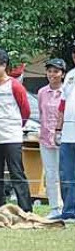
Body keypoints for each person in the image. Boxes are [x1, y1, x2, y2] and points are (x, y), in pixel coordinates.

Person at [0, 49, 32, 213]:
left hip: (12, 136)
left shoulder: (15, 85)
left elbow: (25, 110)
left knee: (16, 173)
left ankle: (26, 209)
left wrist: (16, 126)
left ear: (4, 65)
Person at [38, 58, 65, 219]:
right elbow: (41, 115)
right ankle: (55, 207)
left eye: (56, 71)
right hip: (46, 138)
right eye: (49, 71)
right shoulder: (42, 92)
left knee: (66, 174)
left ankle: (68, 207)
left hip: (64, 139)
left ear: (62, 74)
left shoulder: (67, 91)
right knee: (50, 174)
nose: (52, 74)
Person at [56, 46, 75, 221]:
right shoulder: (69, 76)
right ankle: (69, 212)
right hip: (68, 135)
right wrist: (58, 129)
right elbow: (62, 105)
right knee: (67, 175)